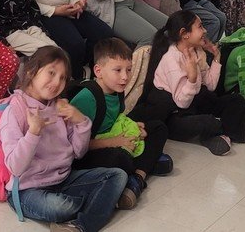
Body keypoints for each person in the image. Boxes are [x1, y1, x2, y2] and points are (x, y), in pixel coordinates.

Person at [0, 46, 127, 231]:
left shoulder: (60, 107)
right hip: (28, 189)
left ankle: (80, 226)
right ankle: (100, 204)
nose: (56, 82)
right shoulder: (15, 111)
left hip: (63, 180)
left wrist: (81, 122)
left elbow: (78, 153)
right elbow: (15, 167)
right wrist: (33, 132)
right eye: (51, 73)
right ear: (31, 71)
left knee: (117, 175)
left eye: (62, 78)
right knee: (60, 207)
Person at [69, 38, 171, 209]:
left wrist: (132, 127)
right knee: (118, 158)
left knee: (158, 128)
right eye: (118, 70)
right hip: (84, 153)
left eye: (129, 70)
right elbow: (74, 147)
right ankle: (145, 165)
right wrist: (115, 142)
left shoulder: (117, 91)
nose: (125, 77)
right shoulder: (87, 98)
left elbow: (115, 120)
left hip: (112, 138)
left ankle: (137, 178)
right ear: (98, 71)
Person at [131, 10, 245, 155]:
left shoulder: (197, 51)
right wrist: (192, 77)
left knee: (236, 101)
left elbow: (210, 86)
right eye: (200, 27)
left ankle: (223, 131)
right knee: (208, 122)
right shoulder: (171, 59)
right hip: (174, 113)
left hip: (194, 103)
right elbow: (182, 102)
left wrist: (217, 57)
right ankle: (224, 128)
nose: (205, 30)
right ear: (184, 33)